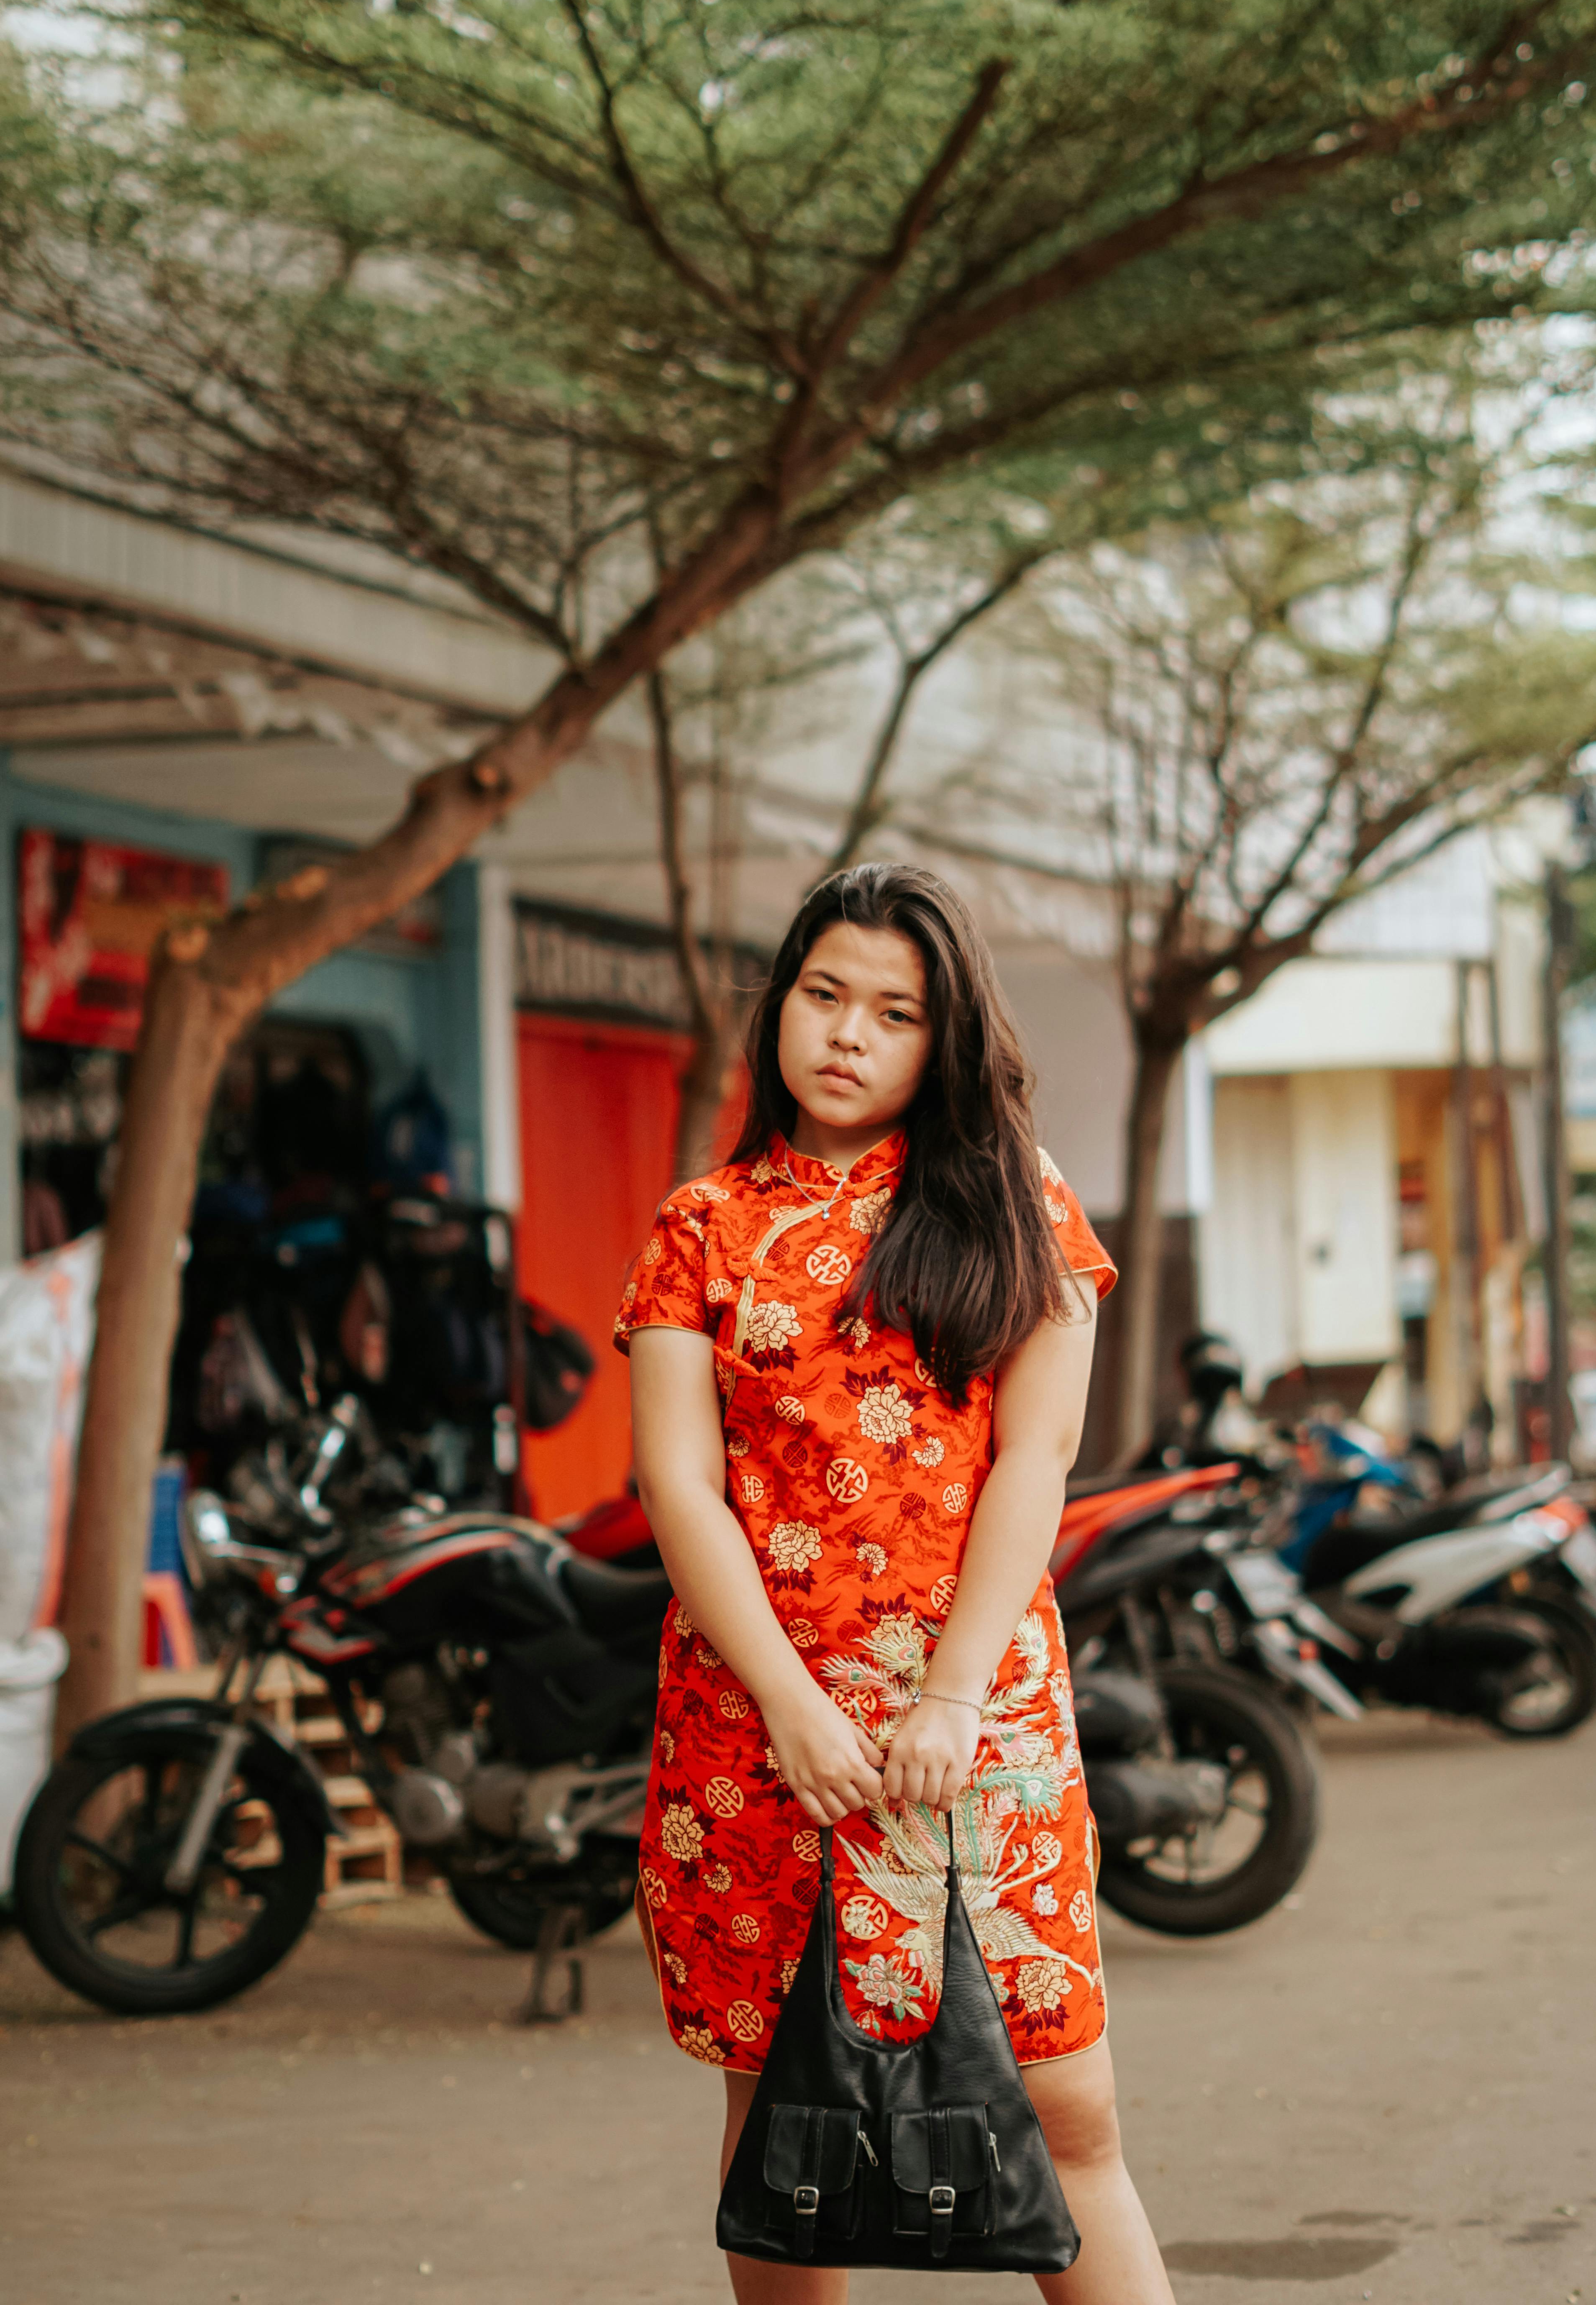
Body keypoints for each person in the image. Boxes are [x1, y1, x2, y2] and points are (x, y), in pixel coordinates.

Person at [619, 864, 1176, 2305]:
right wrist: (797, 1711)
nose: (848, 1035)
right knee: (784, 2125)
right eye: (823, 995)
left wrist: (944, 1698)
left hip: (975, 1730)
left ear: (947, 1037)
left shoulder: (1019, 1210)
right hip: (758, 1734)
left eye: (895, 1012)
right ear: (781, 1004)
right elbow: (681, 1487)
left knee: (1068, 2114)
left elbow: (1035, 1465)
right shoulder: (702, 1228)